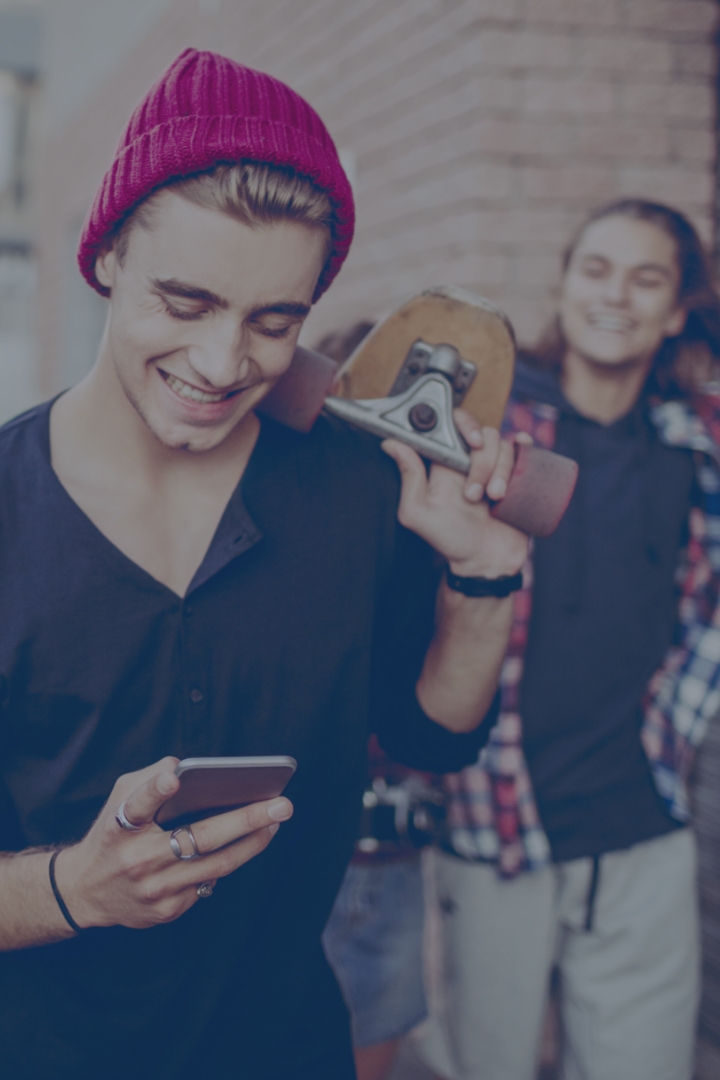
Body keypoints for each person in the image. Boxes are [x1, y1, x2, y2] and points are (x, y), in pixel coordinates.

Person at [0, 49, 529, 1080]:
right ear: (106, 256)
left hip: (286, 1046)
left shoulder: (355, 486)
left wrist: (483, 577)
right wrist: (75, 889)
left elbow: (433, 735)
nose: (220, 362)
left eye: (272, 322)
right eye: (185, 302)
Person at [416, 198, 720, 1080]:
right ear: (564, 283)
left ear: (675, 309)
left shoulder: (693, 444)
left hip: (642, 825)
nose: (615, 293)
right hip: (498, 823)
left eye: (646, 277)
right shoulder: (495, 427)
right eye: (597, 268)